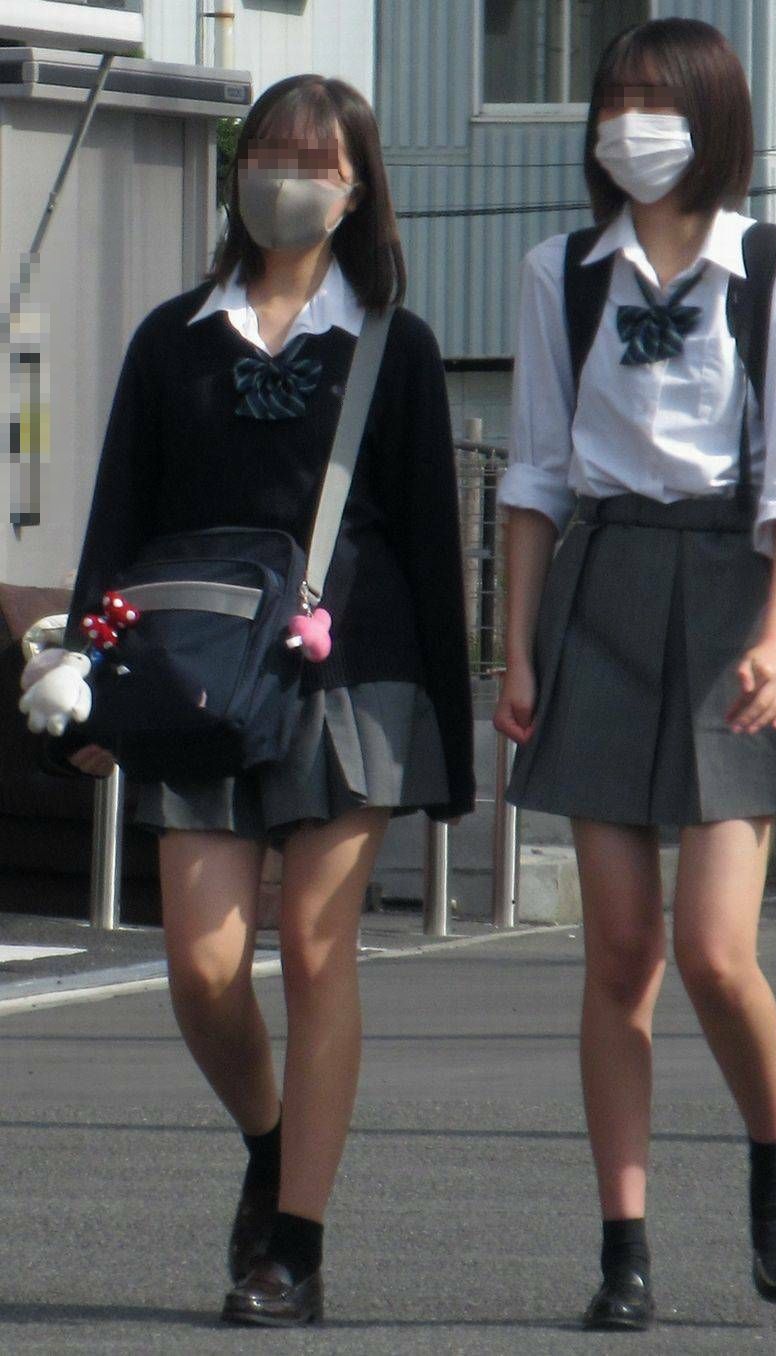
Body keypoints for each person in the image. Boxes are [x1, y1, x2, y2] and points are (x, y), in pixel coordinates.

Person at [63, 74, 474, 1327]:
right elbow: (118, 514)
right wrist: (86, 685)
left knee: (313, 946)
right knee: (199, 967)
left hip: (352, 676)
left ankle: (293, 1249)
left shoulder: (393, 343)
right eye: (268, 150)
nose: (284, 173)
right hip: (198, 674)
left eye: (314, 156)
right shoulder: (170, 338)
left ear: (355, 189)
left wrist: (449, 744)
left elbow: (431, 541)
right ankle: (270, 1142)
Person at [494, 17, 776, 1333]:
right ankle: (624, 1248)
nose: (629, 120)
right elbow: (535, 474)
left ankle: (774, 1156)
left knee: (711, 948)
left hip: (731, 596)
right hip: (599, 590)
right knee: (618, 950)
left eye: (656, 96)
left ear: (712, 115)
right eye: (615, 97)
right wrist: (515, 643)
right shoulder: (560, 272)